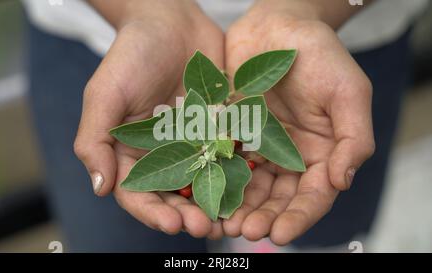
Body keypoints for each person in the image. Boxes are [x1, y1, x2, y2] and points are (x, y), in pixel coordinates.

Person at [22, 0, 427, 252]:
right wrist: (141, 8)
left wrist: (310, 8)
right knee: (117, 242)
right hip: (100, 34)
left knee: (326, 234)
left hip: (337, 50)